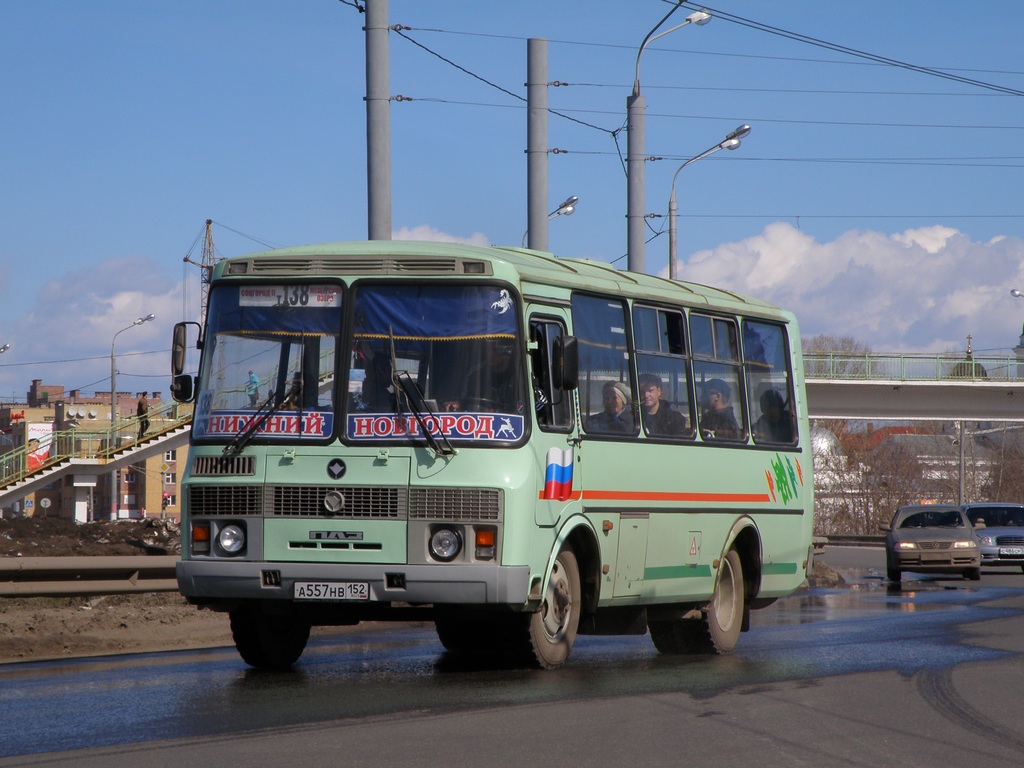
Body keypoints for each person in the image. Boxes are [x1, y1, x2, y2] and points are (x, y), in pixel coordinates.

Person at [457, 340, 519, 412]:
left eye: (495, 350)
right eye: (488, 349)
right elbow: (464, 403)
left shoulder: (518, 376)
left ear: (507, 351)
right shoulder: (474, 375)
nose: (490, 354)